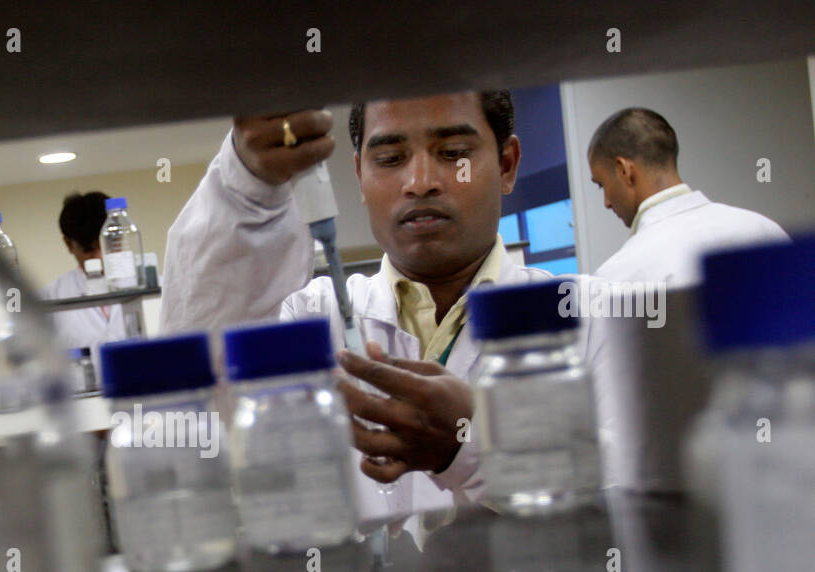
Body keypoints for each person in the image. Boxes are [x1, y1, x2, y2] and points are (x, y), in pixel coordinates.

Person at [162, 92, 613, 520]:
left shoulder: (589, 315)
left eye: (453, 152)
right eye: (391, 159)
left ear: (507, 164)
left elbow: (633, 499)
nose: (420, 183)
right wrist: (247, 187)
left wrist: (473, 446)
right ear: (359, 175)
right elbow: (203, 380)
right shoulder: (312, 319)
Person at [588, 107, 789, 286]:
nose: (606, 202)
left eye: (601, 185)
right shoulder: (766, 231)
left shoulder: (619, 278)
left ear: (624, 171)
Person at [39, 191, 128, 350]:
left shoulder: (155, 286)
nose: (101, 258)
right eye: (90, 250)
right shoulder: (50, 297)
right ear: (69, 244)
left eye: (110, 245)